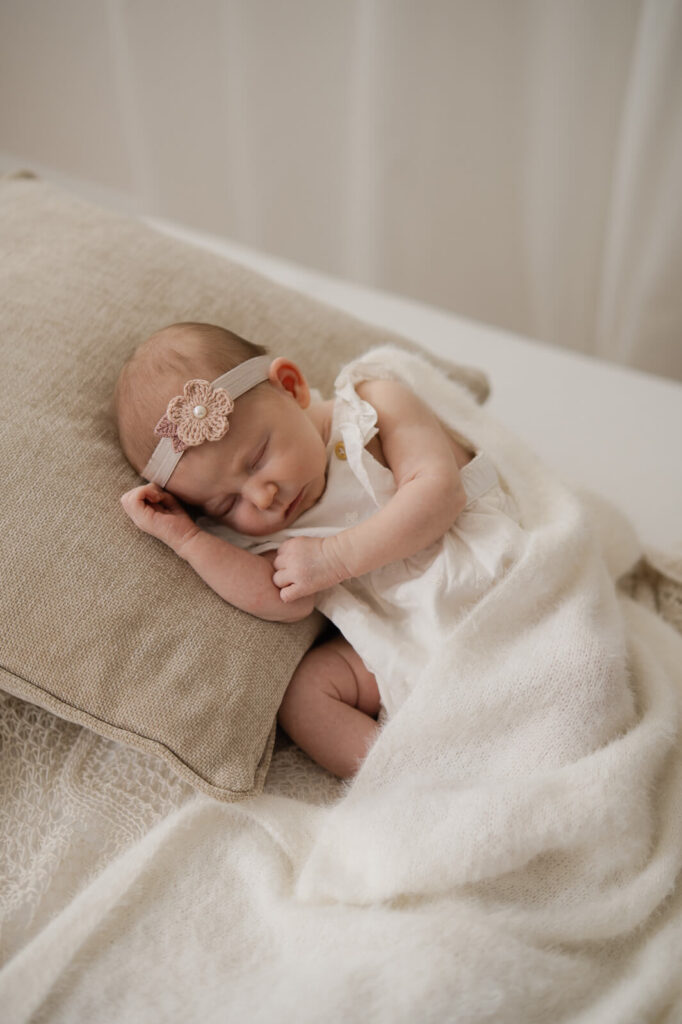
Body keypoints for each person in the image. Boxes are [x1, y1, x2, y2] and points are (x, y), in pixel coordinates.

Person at [116, 322, 525, 778]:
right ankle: (415, 779)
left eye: (257, 459)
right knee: (304, 698)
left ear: (291, 387)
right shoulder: (256, 533)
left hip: (483, 578)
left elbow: (439, 492)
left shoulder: (372, 406)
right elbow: (284, 599)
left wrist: (333, 558)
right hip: (404, 631)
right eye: (225, 503)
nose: (262, 497)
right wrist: (188, 540)